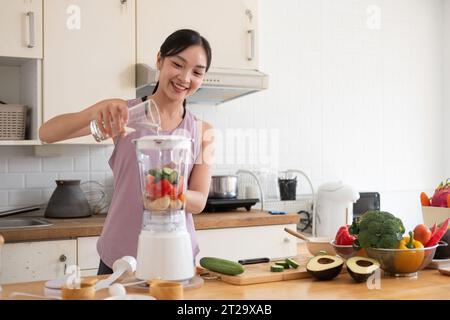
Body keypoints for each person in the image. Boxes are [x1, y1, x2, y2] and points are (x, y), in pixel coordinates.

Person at [39, 29, 214, 275]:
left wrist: (166, 191)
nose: (185, 77)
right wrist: (96, 112)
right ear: (159, 60)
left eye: (197, 72)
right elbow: (47, 133)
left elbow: (199, 202)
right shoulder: (123, 113)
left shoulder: (204, 131)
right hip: (119, 256)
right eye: (177, 64)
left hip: (175, 256)